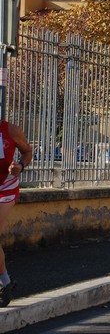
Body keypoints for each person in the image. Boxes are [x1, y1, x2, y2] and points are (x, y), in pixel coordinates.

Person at [0, 121, 33, 307]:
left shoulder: (11, 130)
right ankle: (6, 282)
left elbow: (27, 152)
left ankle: (4, 282)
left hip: (5, 189)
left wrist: (20, 165)